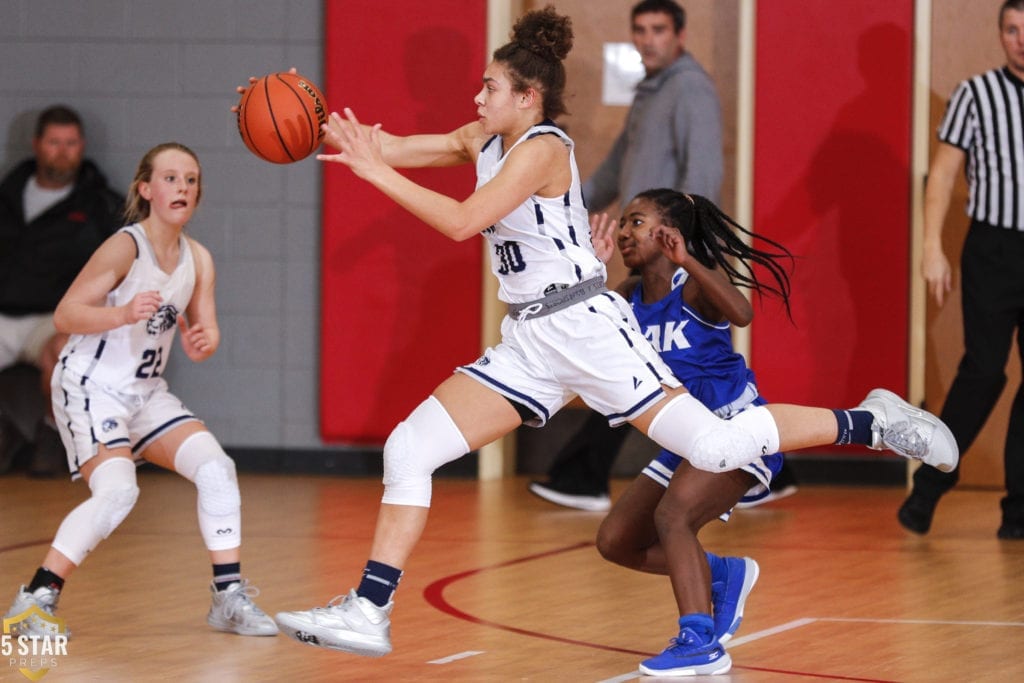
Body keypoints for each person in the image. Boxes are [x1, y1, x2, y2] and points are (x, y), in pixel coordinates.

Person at [272, 6, 957, 658]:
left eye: (490, 86)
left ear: (528, 96)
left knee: (716, 443)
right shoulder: (485, 136)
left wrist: (373, 171)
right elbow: (415, 144)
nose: (477, 97)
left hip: (585, 325)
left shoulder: (542, 148)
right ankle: (369, 609)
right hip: (531, 342)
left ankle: (869, 421)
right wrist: (322, 125)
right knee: (411, 445)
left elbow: (461, 220)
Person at [2, 142, 278, 639]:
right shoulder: (125, 247)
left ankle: (228, 597)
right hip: (89, 384)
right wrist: (121, 314)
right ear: (146, 190)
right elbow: (66, 316)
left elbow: (206, 332)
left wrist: (203, 342)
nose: (183, 188)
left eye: (191, 180)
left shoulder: (199, 259)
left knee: (216, 468)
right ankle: (35, 600)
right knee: (119, 491)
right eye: (171, 178)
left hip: (144, 392)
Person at [529, 0, 735, 511]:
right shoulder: (650, 92)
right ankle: (763, 466)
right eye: (640, 30)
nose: (648, 40)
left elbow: (703, 177)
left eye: (658, 30)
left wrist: (682, 252)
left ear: (679, 35)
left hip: (673, 255)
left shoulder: (690, 89)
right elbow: (616, 171)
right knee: (659, 360)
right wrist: (559, 209)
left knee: (635, 358)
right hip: (649, 251)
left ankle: (582, 474)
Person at [593, 189, 790, 676]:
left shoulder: (693, 286)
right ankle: (721, 572)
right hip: (686, 439)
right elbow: (589, 337)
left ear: (668, 233)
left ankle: (699, 637)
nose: (622, 233)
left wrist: (693, 261)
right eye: (621, 225)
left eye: (635, 222)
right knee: (616, 540)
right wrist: (594, 276)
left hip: (736, 427)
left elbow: (742, 314)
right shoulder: (625, 298)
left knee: (673, 516)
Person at [898, 0, 1024, 540]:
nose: (1021, 40)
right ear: (1000, 35)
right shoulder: (976, 94)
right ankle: (929, 486)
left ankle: (1018, 512)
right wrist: (931, 247)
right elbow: (943, 176)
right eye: (1013, 30)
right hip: (994, 248)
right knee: (984, 370)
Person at [0, 105, 123, 477]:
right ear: (37, 144)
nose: (62, 151)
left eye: (70, 143)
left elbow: (126, 268)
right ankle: (4, 437)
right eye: (54, 142)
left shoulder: (101, 205)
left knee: (66, 355)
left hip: (58, 319)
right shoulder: (7, 196)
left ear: (82, 146)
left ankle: (53, 438)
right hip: (5, 314)